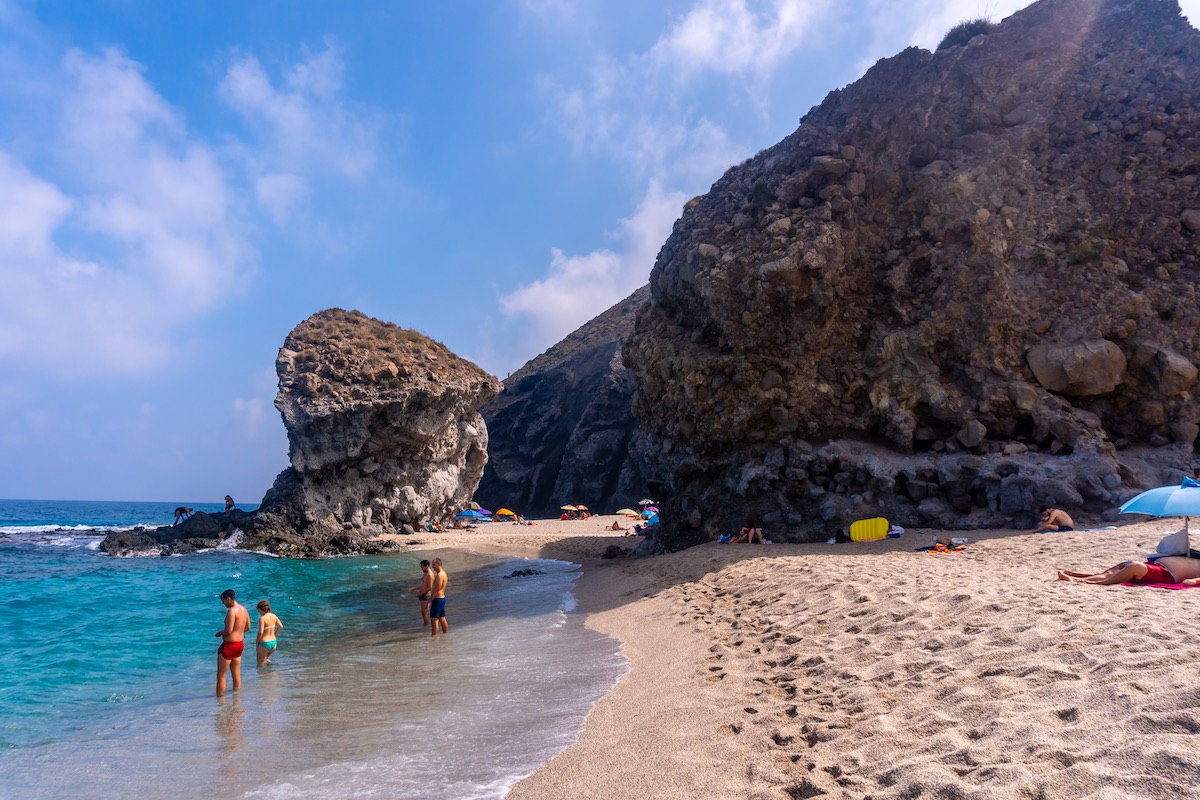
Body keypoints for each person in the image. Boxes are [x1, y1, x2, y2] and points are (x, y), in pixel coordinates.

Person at [1056, 555, 1200, 585]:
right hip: (1158, 566)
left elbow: (1191, 582)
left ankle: (1093, 582)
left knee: (1134, 566)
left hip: (1166, 575)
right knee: (1124, 564)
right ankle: (1082, 577)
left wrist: (1193, 581)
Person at [215, 589, 251, 693]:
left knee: (221, 675)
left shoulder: (232, 611)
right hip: (239, 644)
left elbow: (228, 630)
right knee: (236, 673)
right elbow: (248, 627)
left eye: (223, 600)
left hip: (229, 646)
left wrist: (220, 632)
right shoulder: (244, 609)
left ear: (229, 599)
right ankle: (237, 699)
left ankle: (220, 701)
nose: (223, 603)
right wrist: (238, 631)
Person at [255, 600, 284, 667]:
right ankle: (271, 672)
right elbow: (281, 626)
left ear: (261, 609)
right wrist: (274, 635)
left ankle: (263, 676)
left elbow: (261, 632)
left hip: (264, 643)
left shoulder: (262, 618)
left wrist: (257, 642)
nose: (258, 612)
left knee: (260, 664)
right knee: (265, 659)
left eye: (258, 610)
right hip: (273, 643)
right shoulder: (274, 616)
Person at [408, 559, 434, 626]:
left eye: (422, 567)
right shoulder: (425, 574)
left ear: (427, 566)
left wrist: (420, 594)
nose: (421, 569)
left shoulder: (430, 575)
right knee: (423, 612)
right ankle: (426, 624)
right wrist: (414, 588)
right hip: (423, 595)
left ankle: (426, 625)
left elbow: (429, 587)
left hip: (426, 595)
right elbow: (422, 584)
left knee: (424, 611)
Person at [429, 558, 449, 637]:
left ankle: (435, 640)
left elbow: (436, 591)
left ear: (439, 564)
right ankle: (445, 635)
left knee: (434, 620)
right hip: (442, 599)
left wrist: (429, 601)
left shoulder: (440, 576)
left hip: (437, 599)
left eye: (434, 565)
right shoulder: (443, 573)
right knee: (442, 618)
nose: (432, 567)